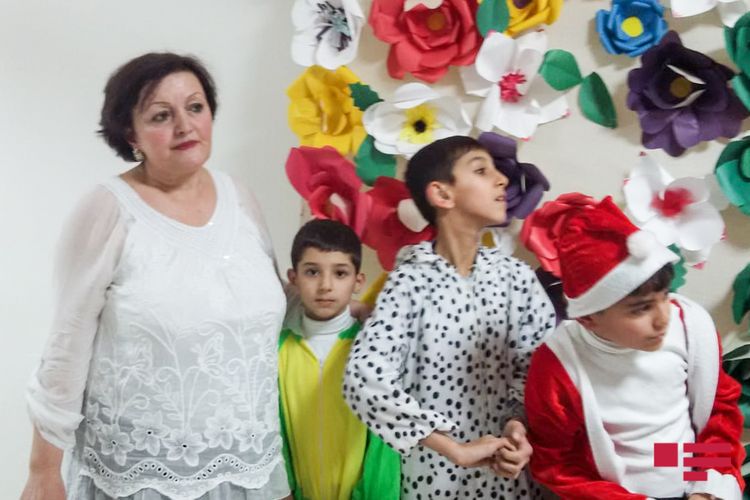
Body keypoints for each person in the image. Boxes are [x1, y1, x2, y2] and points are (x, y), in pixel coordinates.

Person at [21, 53, 292, 500]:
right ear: (131, 134)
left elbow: (266, 307)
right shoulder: (108, 209)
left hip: (251, 469)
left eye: (195, 107)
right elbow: (66, 347)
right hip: (144, 478)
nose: (185, 126)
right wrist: (43, 472)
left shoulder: (241, 198)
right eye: (161, 116)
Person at [342, 136, 557, 499]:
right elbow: (363, 378)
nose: (502, 179)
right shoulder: (410, 282)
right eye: (481, 170)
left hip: (512, 483)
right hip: (435, 483)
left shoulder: (516, 278)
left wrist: (518, 427)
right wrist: (452, 448)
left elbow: (538, 372)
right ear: (442, 194)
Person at [521, 193, 745, 500]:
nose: (663, 318)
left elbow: (718, 415)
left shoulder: (690, 327)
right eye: (641, 309)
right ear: (588, 319)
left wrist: (707, 489)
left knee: (665, 457)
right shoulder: (559, 363)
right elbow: (555, 462)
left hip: (691, 481)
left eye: (665, 296)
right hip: (618, 490)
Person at [277, 219, 400, 500]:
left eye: (340, 273)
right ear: (293, 278)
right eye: (312, 272)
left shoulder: (372, 349)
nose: (325, 285)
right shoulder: (279, 350)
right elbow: (276, 433)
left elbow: (384, 446)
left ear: (358, 281)